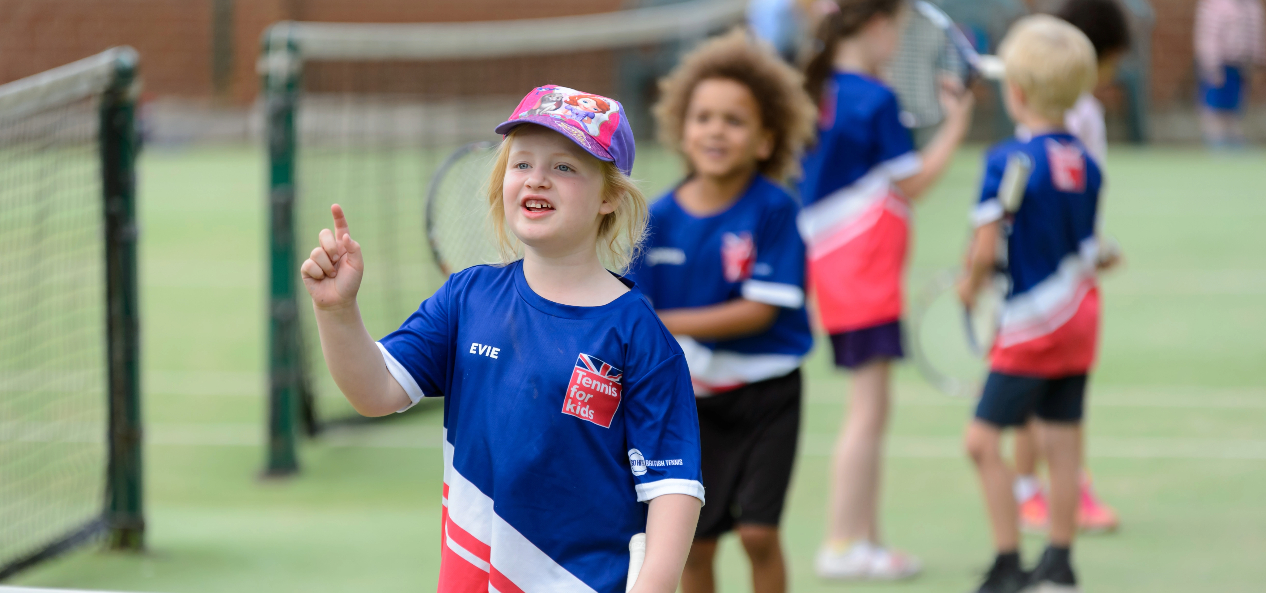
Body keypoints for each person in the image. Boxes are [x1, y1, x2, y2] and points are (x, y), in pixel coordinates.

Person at [299, 84, 704, 593]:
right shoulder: (468, 297)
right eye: (522, 164)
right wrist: (336, 311)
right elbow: (374, 391)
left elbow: (672, 487)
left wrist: (655, 584)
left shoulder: (639, 336)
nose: (538, 179)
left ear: (609, 197)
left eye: (564, 167)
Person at [630, 30, 816, 593]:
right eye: (703, 116)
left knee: (759, 534)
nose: (715, 129)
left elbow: (759, 310)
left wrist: (668, 324)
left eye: (734, 120)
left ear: (765, 140)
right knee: (696, 544)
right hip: (691, 404)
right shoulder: (654, 218)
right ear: (682, 130)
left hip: (769, 396)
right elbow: (633, 310)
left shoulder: (775, 209)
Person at [796, 0, 974, 580]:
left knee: (872, 408)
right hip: (862, 273)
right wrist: (957, 124)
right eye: (896, 28)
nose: (898, 41)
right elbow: (916, 182)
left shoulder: (817, 91)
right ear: (875, 25)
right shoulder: (871, 98)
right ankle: (844, 544)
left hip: (840, 270)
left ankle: (865, 541)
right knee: (867, 411)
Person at [959, 16, 1119, 593]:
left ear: (1017, 92)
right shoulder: (1088, 163)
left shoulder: (1010, 162)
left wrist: (967, 285)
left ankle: (1008, 564)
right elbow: (1087, 244)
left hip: (1031, 326)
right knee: (1064, 437)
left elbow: (985, 244)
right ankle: (1060, 561)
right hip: (1081, 320)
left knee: (980, 443)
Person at [1011, 0, 1130, 536]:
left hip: (1061, 269)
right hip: (1048, 278)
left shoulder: (1071, 115)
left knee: (1049, 389)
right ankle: (1041, 491)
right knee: (1044, 390)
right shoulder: (1072, 118)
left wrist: (1092, 246)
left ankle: (1045, 489)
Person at [1194, 0, 1266, 148]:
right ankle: (1216, 141)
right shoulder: (1214, 5)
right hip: (1219, 64)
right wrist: (1212, 65)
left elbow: (1257, 36)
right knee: (1215, 106)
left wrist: (1258, 60)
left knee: (1235, 106)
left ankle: (1233, 139)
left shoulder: (1252, 6)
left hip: (1241, 65)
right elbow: (1208, 37)